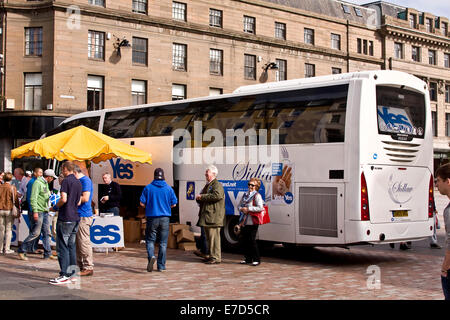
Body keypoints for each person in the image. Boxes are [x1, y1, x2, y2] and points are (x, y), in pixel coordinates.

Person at [49, 161, 82, 285]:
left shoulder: (66, 181)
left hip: (65, 217)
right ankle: (72, 274)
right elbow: (78, 202)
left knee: (62, 246)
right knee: (71, 246)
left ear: (64, 169)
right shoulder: (78, 182)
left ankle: (64, 274)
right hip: (75, 217)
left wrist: (55, 207)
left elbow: (63, 199)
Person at [140, 168, 177, 272]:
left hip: (152, 217)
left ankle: (151, 256)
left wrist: (150, 205)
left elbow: (141, 203)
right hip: (165, 218)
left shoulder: (148, 188)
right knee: (163, 243)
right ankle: (161, 266)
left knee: (150, 240)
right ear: (163, 176)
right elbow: (174, 204)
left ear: (154, 176)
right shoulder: (169, 189)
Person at [18, 169, 57, 260]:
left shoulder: (45, 183)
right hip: (39, 211)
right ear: (49, 177)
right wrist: (35, 211)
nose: (53, 180)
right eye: (52, 178)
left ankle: (48, 253)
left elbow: (44, 195)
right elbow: (33, 198)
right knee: (36, 233)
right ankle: (22, 249)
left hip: (45, 211)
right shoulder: (37, 183)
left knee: (47, 232)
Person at [195, 165, 225, 265]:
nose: (205, 175)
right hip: (208, 216)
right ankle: (211, 256)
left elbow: (218, 195)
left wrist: (202, 197)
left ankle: (216, 257)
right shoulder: (209, 184)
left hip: (213, 217)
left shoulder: (217, 184)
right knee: (209, 238)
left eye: (207, 173)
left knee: (214, 238)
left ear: (213, 174)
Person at [237, 177, 264, 266]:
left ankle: (256, 259)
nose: (250, 186)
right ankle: (247, 258)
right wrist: (241, 209)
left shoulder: (257, 196)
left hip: (253, 221)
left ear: (256, 186)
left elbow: (260, 207)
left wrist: (248, 209)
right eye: (249, 184)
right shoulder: (245, 195)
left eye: (252, 185)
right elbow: (239, 205)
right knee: (244, 240)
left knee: (252, 240)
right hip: (244, 221)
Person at [73, 165, 94, 276]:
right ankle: (80, 265)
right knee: (78, 242)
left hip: (83, 215)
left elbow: (85, 198)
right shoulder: (81, 180)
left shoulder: (85, 181)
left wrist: (71, 199)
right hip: (77, 214)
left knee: (83, 242)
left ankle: (88, 266)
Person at [435, 163, 450, 300]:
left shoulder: (449, 210)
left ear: (448, 181)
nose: (436, 185)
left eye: (438, 180)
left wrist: (445, 267)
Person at [25, 168, 43, 254]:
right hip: (34, 209)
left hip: (35, 209)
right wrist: (33, 209)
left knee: (35, 230)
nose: (41, 174)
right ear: (35, 173)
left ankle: (32, 247)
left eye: (42, 172)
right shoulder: (33, 182)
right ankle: (30, 248)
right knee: (34, 230)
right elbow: (30, 197)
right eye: (39, 172)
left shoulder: (36, 182)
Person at [0, 173, 20, 254]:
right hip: (9, 209)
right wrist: (18, 209)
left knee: (1, 230)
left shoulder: (0, 187)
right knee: (8, 230)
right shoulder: (12, 188)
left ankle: (0, 248)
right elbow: (16, 200)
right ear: (11, 179)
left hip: (0, 209)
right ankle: (7, 248)